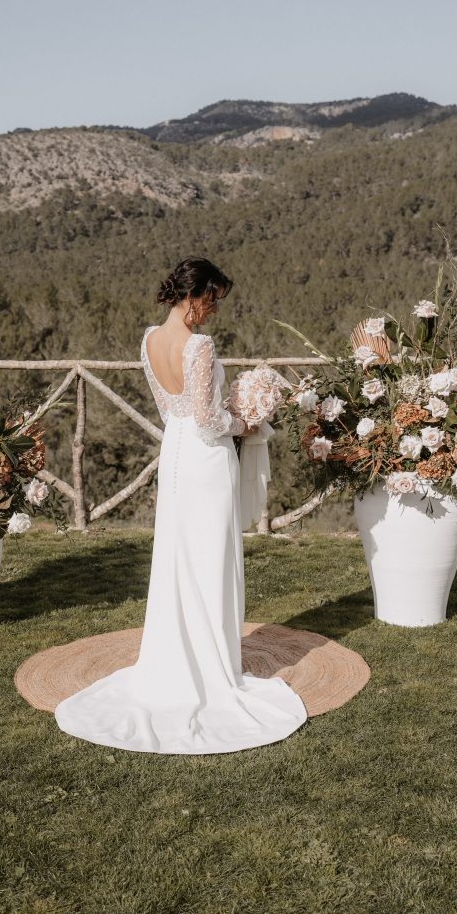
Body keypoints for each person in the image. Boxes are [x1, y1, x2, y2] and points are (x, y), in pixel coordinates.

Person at [54, 256, 308, 753]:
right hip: (206, 457)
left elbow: (174, 408)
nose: (214, 310)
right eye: (212, 299)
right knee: (209, 558)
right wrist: (246, 424)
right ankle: (210, 667)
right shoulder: (200, 345)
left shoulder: (149, 339)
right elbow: (209, 418)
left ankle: (176, 655)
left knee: (177, 557)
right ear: (194, 297)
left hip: (174, 452)